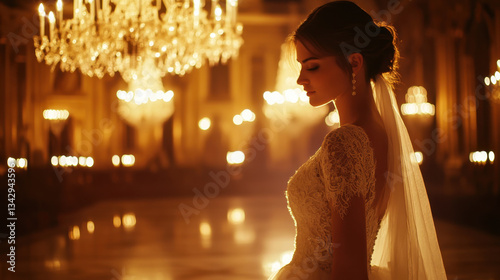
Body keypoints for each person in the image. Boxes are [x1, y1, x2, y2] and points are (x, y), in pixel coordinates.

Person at [269, 1, 447, 279]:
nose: (300, 79)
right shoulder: (376, 132)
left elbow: (350, 265)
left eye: (312, 67)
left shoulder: (344, 142)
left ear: (354, 62)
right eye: (300, 67)